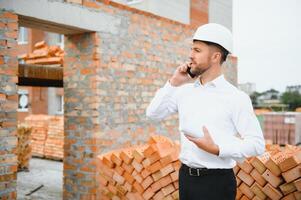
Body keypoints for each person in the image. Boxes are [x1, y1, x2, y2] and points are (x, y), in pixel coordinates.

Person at [146, 23, 265, 200]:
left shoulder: (235, 97)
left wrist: (217, 149)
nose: (190, 55)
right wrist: (173, 82)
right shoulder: (183, 91)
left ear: (215, 56)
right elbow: (153, 114)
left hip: (217, 183)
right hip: (186, 179)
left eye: (197, 50)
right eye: (191, 49)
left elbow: (257, 144)